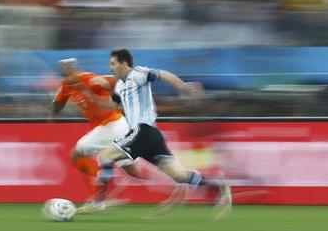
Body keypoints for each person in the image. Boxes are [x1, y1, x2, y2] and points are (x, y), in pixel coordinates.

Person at [94, 48, 232, 218]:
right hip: (151, 136)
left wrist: (183, 88)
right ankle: (218, 187)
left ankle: (98, 201)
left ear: (124, 63)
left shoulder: (138, 74)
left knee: (105, 156)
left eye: (113, 63)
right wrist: (91, 96)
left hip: (143, 130)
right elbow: (113, 105)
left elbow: (163, 74)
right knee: (179, 176)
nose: (110, 68)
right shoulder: (120, 85)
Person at [51, 58, 136, 205]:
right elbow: (56, 109)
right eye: (64, 75)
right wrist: (58, 99)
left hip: (112, 124)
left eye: (69, 72)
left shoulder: (89, 80)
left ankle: (98, 198)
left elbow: (115, 81)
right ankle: (172, 176)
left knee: (76, 154)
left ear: (75, 70)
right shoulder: (66, 87)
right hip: (112, 126)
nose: (68, 77)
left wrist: (116, 99)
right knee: (133, 171)